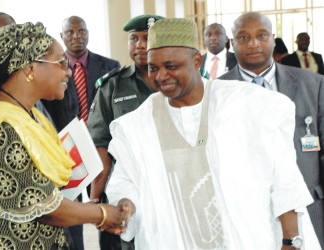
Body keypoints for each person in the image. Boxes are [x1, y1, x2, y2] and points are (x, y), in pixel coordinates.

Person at [106, 18, 320, 249]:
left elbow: (284, 179)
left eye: (171, 66)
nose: (160, 76)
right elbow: (125, 180)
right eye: (153, 68)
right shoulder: (141, 123)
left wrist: (290, 241)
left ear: (196, 60)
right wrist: (126, 203)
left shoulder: (244, 105)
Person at [0, 22, 124, 250]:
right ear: (30, 68)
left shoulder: (26, 115)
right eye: (60, 62)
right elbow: (42, 208)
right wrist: (102, 213)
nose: (68, 71)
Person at [219, 12, 324, 247]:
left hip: (309, 205)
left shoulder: (313, 84)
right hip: (246, 211)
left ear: (273, 40)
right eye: (243, 37)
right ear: (232, 43)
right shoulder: (217, 92)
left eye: (261, 35)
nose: (253, 43)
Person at [41, 15, 120, 250]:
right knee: (70, 209)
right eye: (71, 32)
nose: (77, 36)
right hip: (67, 151)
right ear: (63, 36)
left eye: (82, 31)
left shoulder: (109, 66)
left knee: (104, 204)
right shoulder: (52, 68)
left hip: (101, 148)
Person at [87, 14, 164, 250]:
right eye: (134, 39)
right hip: (126, 183)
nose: (140, 45)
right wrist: (96, 196)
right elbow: (101, 142)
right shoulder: (112, 85)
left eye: (147, 38)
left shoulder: (178, 79)